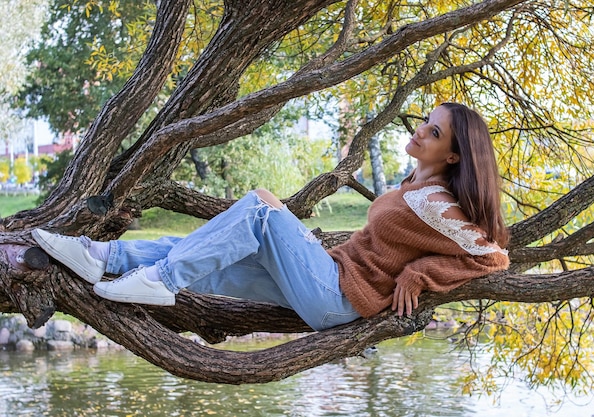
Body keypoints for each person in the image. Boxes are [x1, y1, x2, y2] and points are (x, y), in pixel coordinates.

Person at [32, 102, 510, 331]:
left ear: (453, 155)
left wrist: (419, 273)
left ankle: (163, 278)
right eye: (426, 121)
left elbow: (494, 257)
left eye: (435, 131)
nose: (422, 131)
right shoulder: (414, 186)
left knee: (261, 204)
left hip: (336, 297)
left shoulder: (437, 202)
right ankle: (104, 258)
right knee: (218, 252)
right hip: (328, 278)